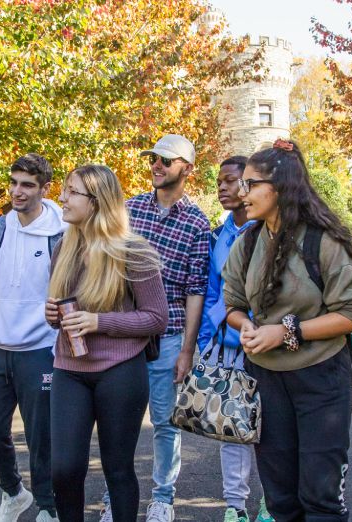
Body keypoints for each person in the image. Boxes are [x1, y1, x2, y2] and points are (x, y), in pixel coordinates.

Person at [223, 139, 352, 522]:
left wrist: (287, 332)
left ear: (281, 186)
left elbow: (350, 314)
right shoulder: (248, 241)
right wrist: (249, 327)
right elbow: (232, 304)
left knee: (320, 500)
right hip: (266, 381)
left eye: (251, 184)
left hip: (321, 378)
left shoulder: (323, 240)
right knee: (281, 502)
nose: (242, 193)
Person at [44, 164, 170, 522]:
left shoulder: (134, 251)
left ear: (96, 201)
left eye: (71, 192)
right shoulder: (62, 248)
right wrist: (53, 315)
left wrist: (99, 321)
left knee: (118, 470)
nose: (62, 198)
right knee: (64, 469)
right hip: (69, 370)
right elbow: (59, 311)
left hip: (120, 371)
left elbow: (156, 318)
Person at [107, 134, 210, 522]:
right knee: (118, 422)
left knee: (165, 423)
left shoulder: (198, 224)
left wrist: (187, 349)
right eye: (153, 158)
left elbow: (195, 290)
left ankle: (162, 497)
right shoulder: (128, 210)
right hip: (122, 336)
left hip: (167, 340)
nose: (157, 165)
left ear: (187, 169)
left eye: (167, 160)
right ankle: (115, 499)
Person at [0, 153, 66, 522]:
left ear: (45, 188)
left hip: (41, 350)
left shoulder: (62, 232)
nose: (17, 192)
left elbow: (69, 294)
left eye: (26, 184)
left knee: (44, 438)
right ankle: (12, 491)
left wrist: (57, 348)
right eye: (13, 183)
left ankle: (48, 506)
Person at [197, 156, 274, 522]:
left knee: (270, 428)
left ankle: (271, 502)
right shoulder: (218, 234)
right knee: (232, 425)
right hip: (227, 348)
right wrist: (205, 341)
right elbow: (213, 292)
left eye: (231, 181)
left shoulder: (270, 231)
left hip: (269, 346)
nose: (223, 188)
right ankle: (235, 506)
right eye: (219, 182)